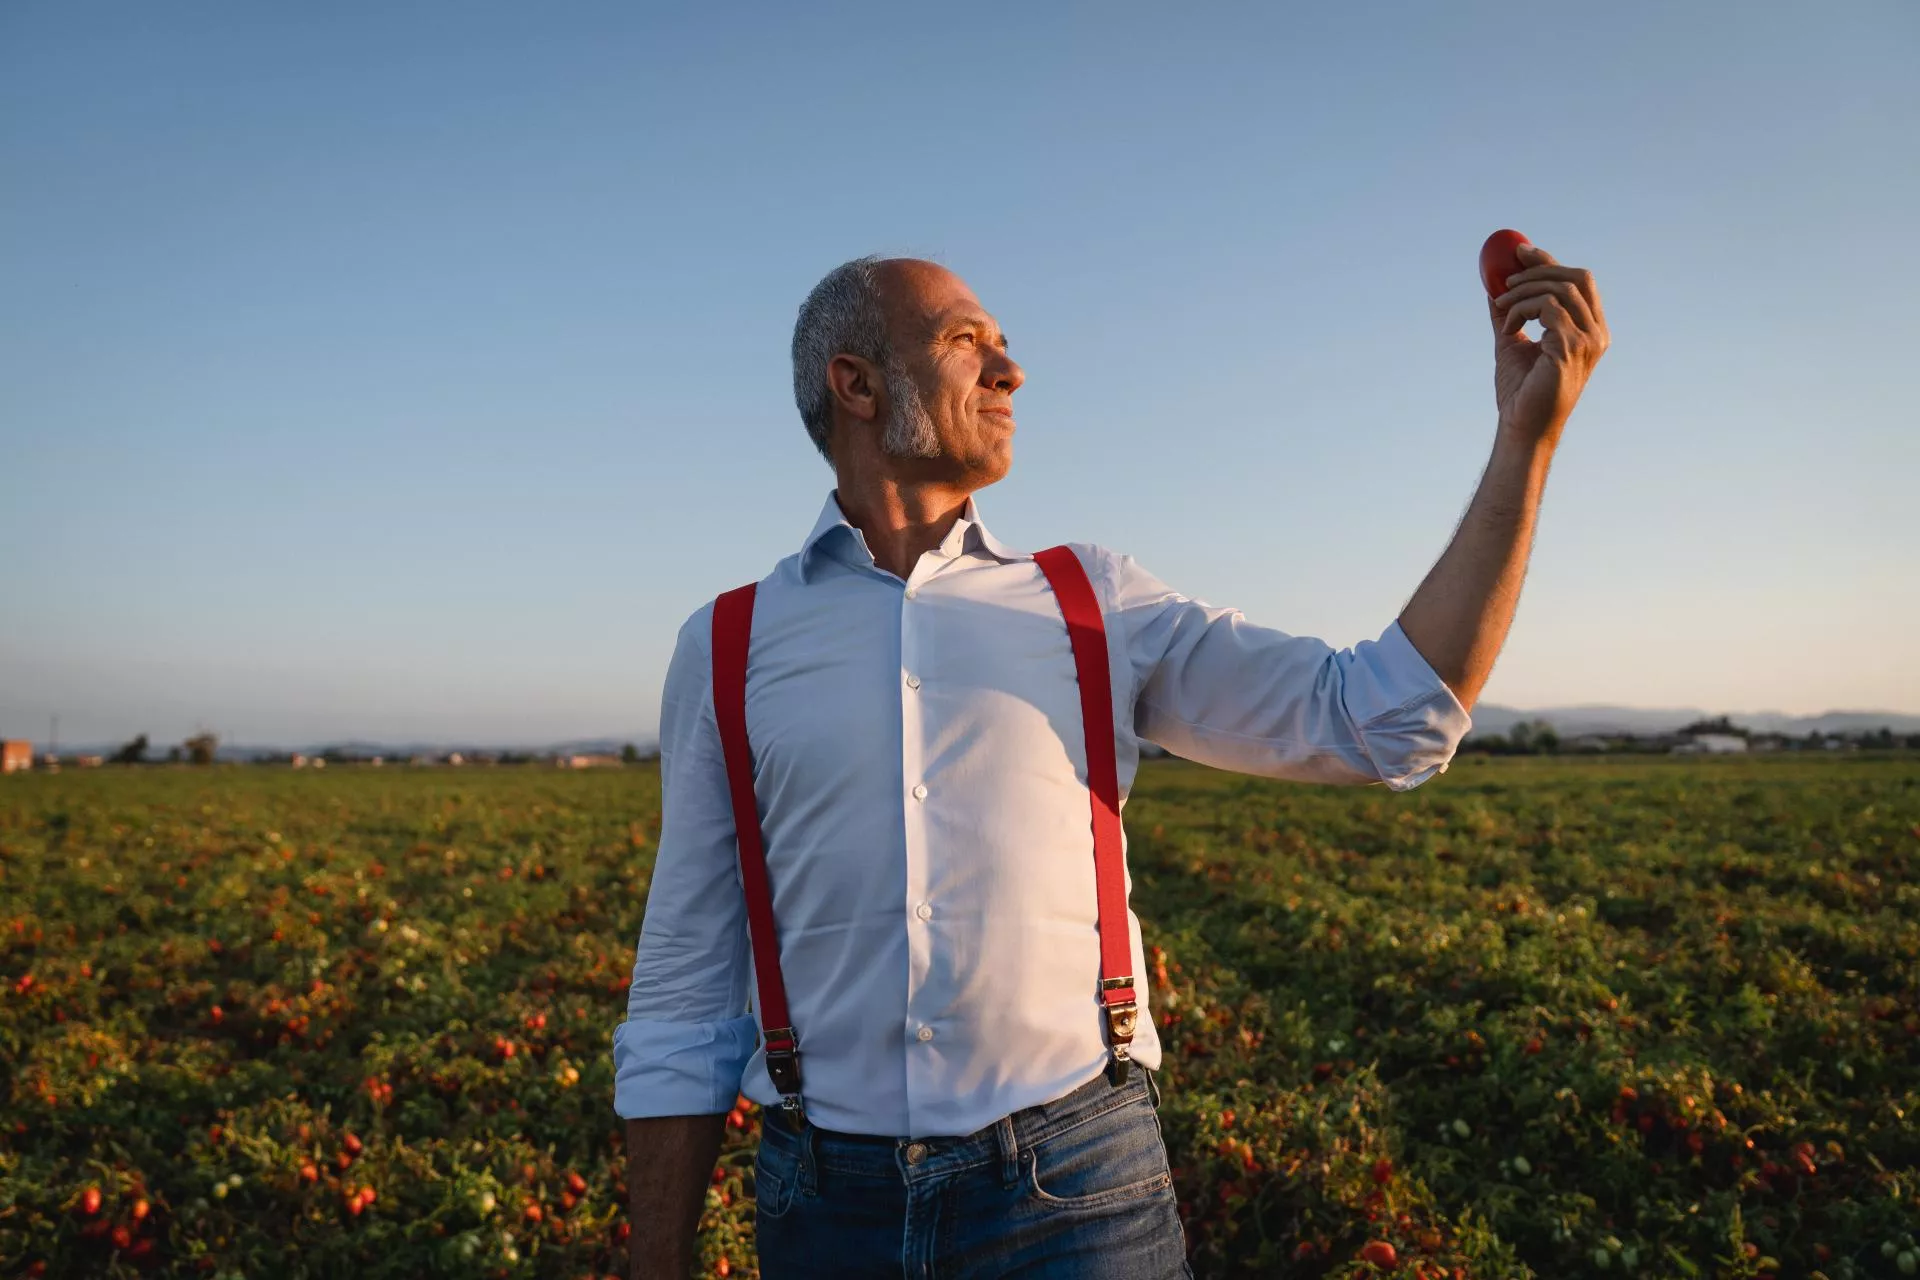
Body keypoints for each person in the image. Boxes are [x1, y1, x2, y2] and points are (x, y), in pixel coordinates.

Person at [616, 249, 1609, 1279]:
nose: (1011, 369)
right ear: (856, 383)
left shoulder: (1092, 601)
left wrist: (1524, 443)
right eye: (966, 340)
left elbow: (1388, 718)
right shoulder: (726, 643)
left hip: (1079, 1193)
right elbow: (685, 983)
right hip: (826, 1211)